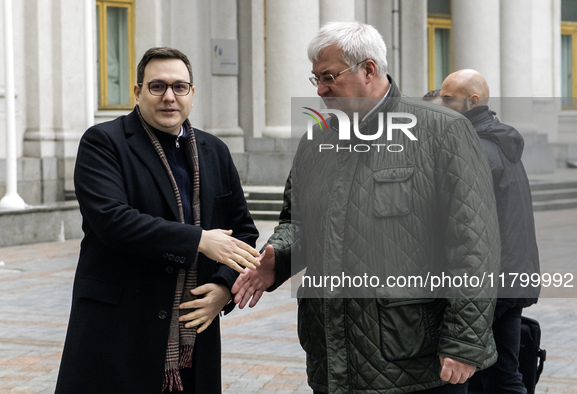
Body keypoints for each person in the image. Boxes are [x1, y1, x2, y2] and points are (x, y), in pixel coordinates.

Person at [233, 22, 501, 393]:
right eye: (315, 79)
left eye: (329, 77)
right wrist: (278, 256)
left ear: (369, 70)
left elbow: (474, 245)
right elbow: (296, 220)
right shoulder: (316, 140)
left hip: (417, 362)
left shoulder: (443, 131)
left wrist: (464, 341)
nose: (321, 89)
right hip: (333, 355)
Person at [55, 47, 259, 394]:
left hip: (192, 335)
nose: (169, 97)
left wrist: (223, 289)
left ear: (192, 93)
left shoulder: (215, 151)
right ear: (137, 92)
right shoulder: (104, 142)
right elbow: (112, 220)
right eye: (157, 86)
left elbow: (243, 232)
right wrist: (198, 240)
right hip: (120, 330)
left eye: (180, 87)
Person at [439, 69, 540, 394]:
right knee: (503, 374)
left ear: (473, 101)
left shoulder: (478, 150)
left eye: (447, 98)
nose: (441, 105)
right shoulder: (500, 142)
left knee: (462, 371)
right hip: (513, 277)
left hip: (491, 284)